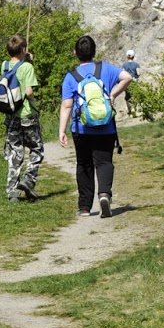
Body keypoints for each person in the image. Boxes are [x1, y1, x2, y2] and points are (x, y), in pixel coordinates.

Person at [59, 34, 133, 218]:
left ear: (75, 53)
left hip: (81, 128)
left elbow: (67, 105)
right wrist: (113, 95)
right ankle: (104, 195)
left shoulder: (71, 76)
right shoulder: (106, 69)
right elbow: (127, 77)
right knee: (104, 161)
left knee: (84, 164)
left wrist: (62, 130)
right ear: (94, 52)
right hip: (105, 126)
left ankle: (84, 207)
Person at [1, 35, 44, 203]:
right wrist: (34, 103)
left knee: (15, 152)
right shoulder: (27, 67)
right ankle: (28, 179)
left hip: (11, 115)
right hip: (27, 114)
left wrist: (26, 61)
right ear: (23, 49)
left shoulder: (4, 66)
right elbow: (28, 91)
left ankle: (12, 191)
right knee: (37, 149)